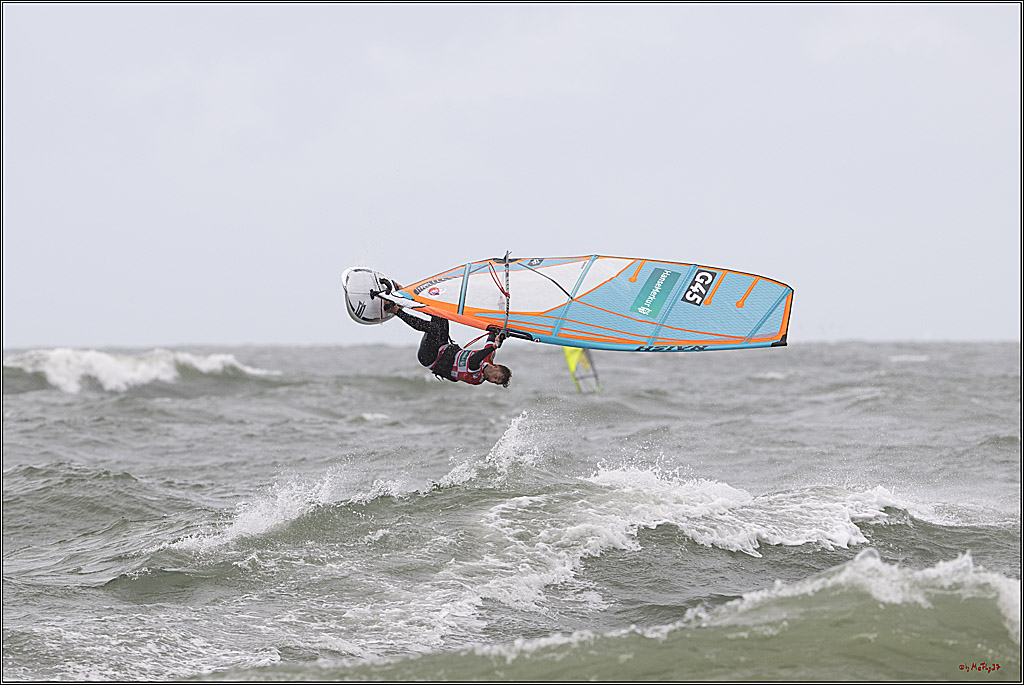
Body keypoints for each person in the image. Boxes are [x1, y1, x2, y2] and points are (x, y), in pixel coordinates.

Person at [384, 301, 512, 387]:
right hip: (442, 346)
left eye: (495, 382)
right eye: (497, 377)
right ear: (496, 367)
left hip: (431, 358)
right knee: (441, 313)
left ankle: (395, 310)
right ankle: (406, 302)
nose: (492, 380)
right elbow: (492, 333)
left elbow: (473, 361)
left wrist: (493, 347)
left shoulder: (477, 378)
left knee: (433, 329)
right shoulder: (489, 356)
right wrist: (500, 329)